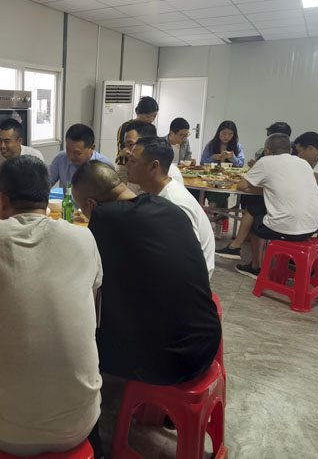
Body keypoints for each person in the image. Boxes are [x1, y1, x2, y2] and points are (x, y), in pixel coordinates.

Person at [0, 155, 102, 456]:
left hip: (7, 433)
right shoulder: (84, 236)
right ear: (47, 197)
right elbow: (93, 310)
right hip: (82, 422)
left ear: (1, 200)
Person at [71, 160, 221, 387]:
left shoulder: (104, 218)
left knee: (76, 331)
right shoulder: (167, 206)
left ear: (91, 204)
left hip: (171, 363)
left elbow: (89, 280)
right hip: (206, 342)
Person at [233, 133, 318, 278]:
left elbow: (241, 185)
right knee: (265, 208)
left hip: (288, 229)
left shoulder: (266, 161)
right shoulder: (303, 163)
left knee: (255, 214)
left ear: (267, 151)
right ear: (290, 150)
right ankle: (295, 262)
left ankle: (255, 266)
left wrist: (258, 188)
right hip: (313, 228)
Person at [126, 136, 215, 277]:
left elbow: (188, 258)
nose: (127, 165)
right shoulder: (158, 191)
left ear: (154, 166)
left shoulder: (174, 202)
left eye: (133, 161)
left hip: (189, 279)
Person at [218, 122, 293, 259]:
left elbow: (241, 185)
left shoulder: (268, 158)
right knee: (254, 201)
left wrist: (254, 187)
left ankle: (240, 249)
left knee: (254, 208)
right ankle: (242, 247)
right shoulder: (300, 162)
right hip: (311, 223)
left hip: (282, 216)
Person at [0, 118, 43, 191]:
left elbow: (42, 185)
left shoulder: (34, 156)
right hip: (1, 196)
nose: (2, 146)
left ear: (19, 141)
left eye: (6, 141)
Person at [50, 123, 114, 188]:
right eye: (68, 150)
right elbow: (47, 184)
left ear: (92, 148)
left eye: (77, 153)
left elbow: (113, 192)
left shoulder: (105, 166)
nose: (71, 156)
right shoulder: (60, 158)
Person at [121, 120, 183, 186]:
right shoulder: (135, 169)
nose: (126, 151)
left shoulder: (169, 175)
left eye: (131, 144)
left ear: (149, 141)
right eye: (126, 145)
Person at [115, 96, 158, 182]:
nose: (151, 119)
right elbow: (123, 150)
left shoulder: (150, 128)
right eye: (148, 116)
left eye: (154, 116)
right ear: (138, 112)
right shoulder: (126, 127)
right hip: (125, 166)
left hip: (142, 167)